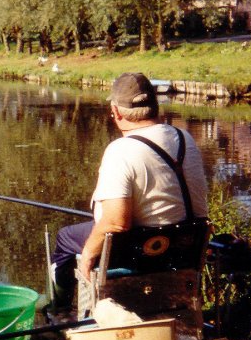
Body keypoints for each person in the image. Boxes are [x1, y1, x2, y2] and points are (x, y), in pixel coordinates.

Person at [51, 72, 209, 315]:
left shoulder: (121, 150)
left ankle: (60, 309)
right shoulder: (184, 137)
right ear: (155, 106)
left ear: (115, 112)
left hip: (140, 251)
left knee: (64, 238)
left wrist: (87, 256)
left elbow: (116, 222)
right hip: (183, 249)